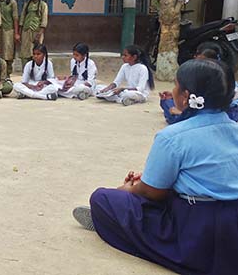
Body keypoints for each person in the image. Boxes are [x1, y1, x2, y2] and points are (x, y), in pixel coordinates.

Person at [73, 59, 238, 275]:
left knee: (103, 198)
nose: (173, 89)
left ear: (186, 96)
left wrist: (131, 188)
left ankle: (122, 225)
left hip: (198, 229)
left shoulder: (173, 137)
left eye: (176, 84)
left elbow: (153, 192)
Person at [160, 42, 238, 123]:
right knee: (167, 101)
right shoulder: (225, 73)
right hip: (214, 111)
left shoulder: (168, 135)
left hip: (225, 112)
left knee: (171, 109)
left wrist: (182, 112)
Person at [17, 0, 48, 66]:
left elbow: (44, 20)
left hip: (37, 32)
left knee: (36, 52)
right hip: (26, 31)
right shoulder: (26, 4)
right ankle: (25, 73)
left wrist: (40, 33)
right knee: (24, 53)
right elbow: (22, 19)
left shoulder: (43, 5)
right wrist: (19, 33)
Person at [0, 0, 19, 78]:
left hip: (8, 31)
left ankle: (7, 74)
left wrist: (16, 33)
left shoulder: (12, 3)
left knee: (8, 53)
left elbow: (15, 18)